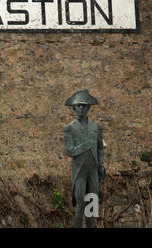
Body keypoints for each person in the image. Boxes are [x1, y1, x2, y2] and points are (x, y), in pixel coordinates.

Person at [63, 90, 106, 228]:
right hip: (79, 170)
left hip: (93, 169)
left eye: (84, 105)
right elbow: (69, 150)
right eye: (78, 105)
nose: (81, 108)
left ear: (88, 108)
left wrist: (101, 165)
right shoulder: (69, 128)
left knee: (92, 202)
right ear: (74, 108)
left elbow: (100, 148)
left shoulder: (96, 128)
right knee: (81, 203)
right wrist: (85, 146)